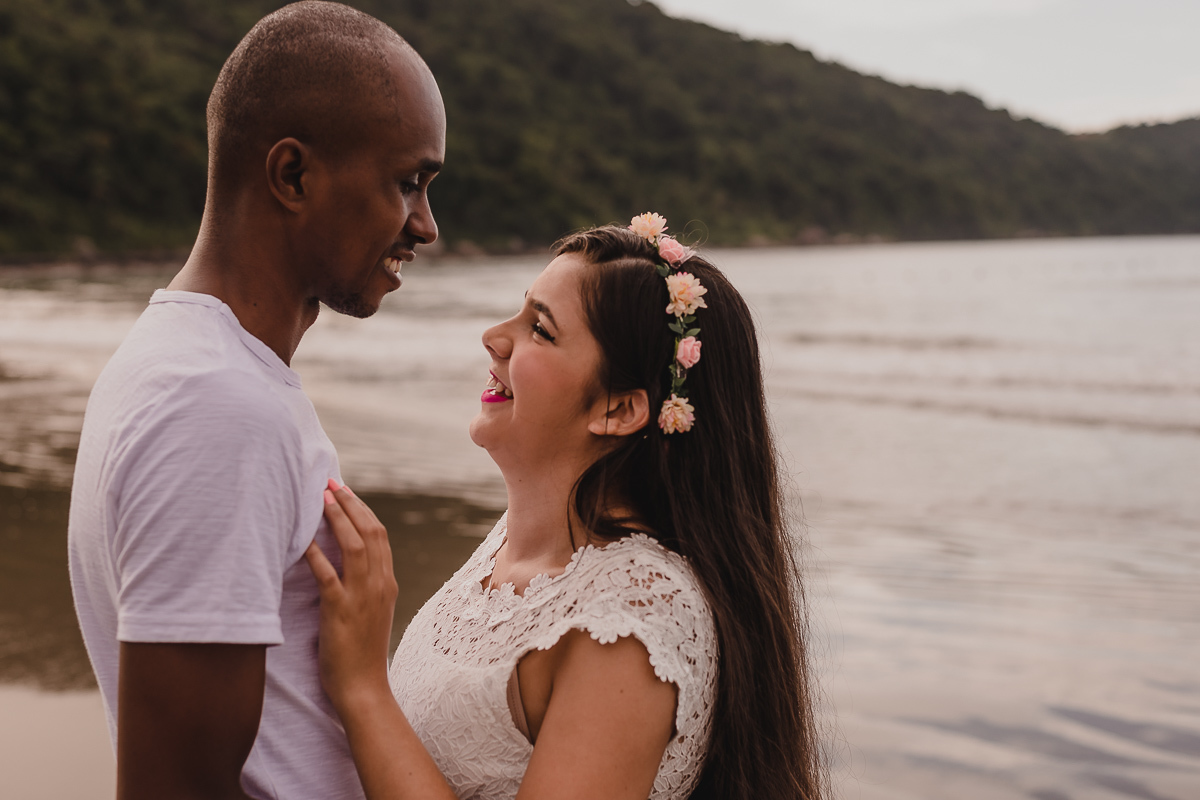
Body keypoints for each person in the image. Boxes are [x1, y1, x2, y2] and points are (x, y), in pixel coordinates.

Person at [307, 216, 827, 799]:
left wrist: (361, 687)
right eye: (520, 310)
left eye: (541, 330)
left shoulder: (629, 620)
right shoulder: (517, 542)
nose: (494, 337)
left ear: (619, 410)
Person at [66, 3, 444, 798]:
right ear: (293, 175)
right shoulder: (218, 406)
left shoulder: (185, 366)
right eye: (407, 182)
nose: (426, 225)